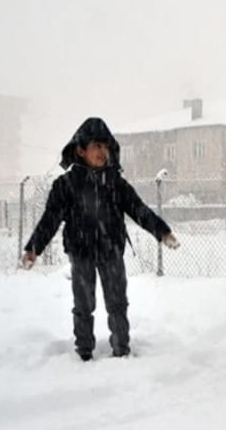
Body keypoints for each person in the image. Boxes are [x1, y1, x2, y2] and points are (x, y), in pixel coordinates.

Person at [21, 117, 180, 361]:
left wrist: (162, 232)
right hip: (81, 252)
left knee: (117, 303)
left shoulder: (115, 183)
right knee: (84, 306)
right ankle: (84, 353)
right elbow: (50, 219)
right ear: (81, 150)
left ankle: (121, 351)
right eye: (96, 146)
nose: (102, 152)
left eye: (105, 146)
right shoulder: (66, 185)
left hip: (111, 251)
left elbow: (139, 210)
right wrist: (33, 248)